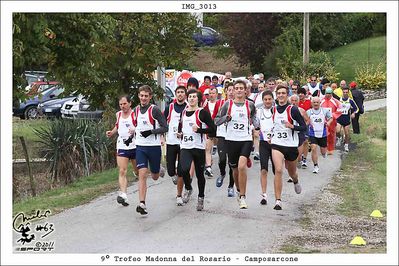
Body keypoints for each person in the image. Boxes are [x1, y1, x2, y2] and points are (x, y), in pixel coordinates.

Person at [215, 80, 259, 209]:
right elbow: (217, 121)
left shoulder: (250, 105)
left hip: (245, 139)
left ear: (246, 90)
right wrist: (225, 118)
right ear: (233, 91)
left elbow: (255, 118)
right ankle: (239, 189)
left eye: (241, 88)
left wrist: (257, 125)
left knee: (241, 167)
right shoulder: (227, 105)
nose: (239, 90)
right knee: (234, 170)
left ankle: (243, 197)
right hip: (231, 140)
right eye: (237, 88)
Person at [178, 89, 216, 211]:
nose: (192, 99)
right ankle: (188, 188)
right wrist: (180, 133)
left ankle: (201, 197)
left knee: (200, 175)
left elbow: (213, 129)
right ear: (187, 98)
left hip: (198, 147)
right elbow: (181, 127)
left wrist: (199, 130)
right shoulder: (183, 112)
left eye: (194, 97)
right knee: (183, 169)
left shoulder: (202, 113)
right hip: (185, 146)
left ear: (198, 99)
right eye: (190, 96)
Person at [134, 85, 168, 215]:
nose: (143, 98)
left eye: (146, 96)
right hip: (140, 146)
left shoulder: (155, 110)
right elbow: (135, 126)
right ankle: (142, 203)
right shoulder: (136, 110)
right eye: (141, 95)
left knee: (154, 177)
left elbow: (165, 127)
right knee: (142, 174)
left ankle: (158, 169)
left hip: (153, 147)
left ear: (150, 97)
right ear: (139, 96)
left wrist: (151, 132)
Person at [271, 84, 306, 210]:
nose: (281, 95)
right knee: (278, 170)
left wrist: (292, 127)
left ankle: (296, 180)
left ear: (287, 95)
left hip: (291, 145)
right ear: (276, 95)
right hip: (277, 144)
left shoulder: (293, 110)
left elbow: (304, 127)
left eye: (283, 93)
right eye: (279, 93)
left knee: (292, 173)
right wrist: (269, 135)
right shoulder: (273, 110)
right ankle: (278, 200)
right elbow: (271, 126)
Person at [106, 95, 138, 207]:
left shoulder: (135, 114)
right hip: (122, 146)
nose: (122, 106)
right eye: (120, 104)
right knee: (122, 171)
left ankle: (138, 173)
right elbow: (117, 126)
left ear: (130, 103)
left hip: (135, 145)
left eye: (124, 104)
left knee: (138, 171)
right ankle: (123, 194)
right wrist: (112, 132)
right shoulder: (118, 114)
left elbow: (141, 127)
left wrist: (135, 129)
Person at [163, 85, 187, 205]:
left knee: (181, 171)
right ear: (176, 94)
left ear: (185, 94)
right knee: (171, 170)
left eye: (182, 92)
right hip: (171, 141)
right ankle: (174, 175)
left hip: (184, 143)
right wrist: (162, 136)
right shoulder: (170, 107)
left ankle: (179, 195)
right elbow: (163, 122)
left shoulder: (189, 107)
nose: (180, 94)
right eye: (178, 92)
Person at [215, 82, 236, 197]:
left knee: (232, 163)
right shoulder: (220, 103)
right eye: (229, 90)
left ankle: (231, 186)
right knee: (222, 159)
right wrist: (225, 118)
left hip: (234, 136)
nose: (232, 92)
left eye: (234, 90)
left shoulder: (241, 104)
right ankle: (222, 174)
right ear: (226, 92)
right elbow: (214, 119)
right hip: (222, 134)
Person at [255, 90, 275, 205]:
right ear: (263, 101)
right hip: (263, 143)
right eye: (265, 99)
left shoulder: (276, 111)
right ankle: (264, 195)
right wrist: (255, 130)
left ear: (273, 100)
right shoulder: (259, 112)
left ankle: (278, 194)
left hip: (275, 144)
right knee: (263, 169)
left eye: (269, 99)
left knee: (276, 170)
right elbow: (255, 125)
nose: (267, 101)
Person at [306, 97, 333, 174]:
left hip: (322, 134)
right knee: (313, 148)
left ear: (320, 103)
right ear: (312, 103)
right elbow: (306, 120)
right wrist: (307, 124)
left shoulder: (324, 111)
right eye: (314, 102)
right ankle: (315, 166)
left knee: (323, 151)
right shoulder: (309, 112)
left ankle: (324, 153)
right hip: (312, 134)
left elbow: (331, 118)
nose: (316, 104)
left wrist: (328, 123)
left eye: (317, 102)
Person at [202, 86, 223, 178]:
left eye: (213, 93)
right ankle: (208, 168)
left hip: (218, 129)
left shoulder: (221, 103)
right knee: (207, 148)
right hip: (209, 129)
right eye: (210, 93)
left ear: (216, 94)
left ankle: (221, 163)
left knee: (220, 149)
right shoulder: (205, 104)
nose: (211, 95)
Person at [289, 94, 310, 172]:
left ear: (298, 102)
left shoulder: (301, 110)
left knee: (298, 153)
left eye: (295, 101)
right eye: (292, 101)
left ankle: (299, 160)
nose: (294, 102)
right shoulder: (287, 110)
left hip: (299, 132)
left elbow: (307, 120)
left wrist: (303, 126)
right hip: (290, 133)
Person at [321, 87, 343, 155]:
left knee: (332, 135)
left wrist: (333, 115)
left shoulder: (335, 101)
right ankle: (325, 148)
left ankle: (330, 149)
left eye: (329, 93)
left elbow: (340, 110)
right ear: (325, 93)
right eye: (327, 93)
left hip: (332, 121)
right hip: (323, 121)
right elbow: (316, 108)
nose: (328, 95)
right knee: (325, 134)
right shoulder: (321, 100)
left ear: (331, 94)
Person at [336, 87, 359, 152]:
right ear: (342, 93)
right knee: (337, 131)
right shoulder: (338, 100)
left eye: (346, 92)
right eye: (344, 92)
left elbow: (356, 109)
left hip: (346, 119)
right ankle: (339, 138)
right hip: (339, 118)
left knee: (347, 134)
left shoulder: (350, 101)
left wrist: (353, 113)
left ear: (348, 93)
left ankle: (346, 145)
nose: (345, 93)